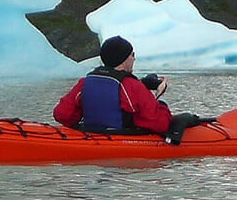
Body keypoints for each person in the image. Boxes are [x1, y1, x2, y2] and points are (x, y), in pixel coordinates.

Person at [54, 36, 207, 145]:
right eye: (132, 55)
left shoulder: (85, 82)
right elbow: (160, 124)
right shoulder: (131, 86)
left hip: (92, 135)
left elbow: (62, 115)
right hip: (119, 139)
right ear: (124, 59)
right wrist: (159, 102)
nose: (134, 58)